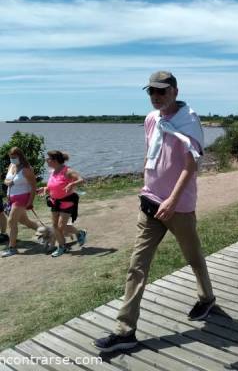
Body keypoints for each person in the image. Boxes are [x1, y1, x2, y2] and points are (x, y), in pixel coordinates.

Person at [94, 71, 216, 352]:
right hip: (150, 203)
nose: (155, 97)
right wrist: (146, 187)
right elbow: (152, 156)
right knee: (137, 266)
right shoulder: (151, 120)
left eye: (161, 91)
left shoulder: (189, 121)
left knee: (193, 256)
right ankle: (125, 330)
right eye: (151, 92)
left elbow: (191, 165)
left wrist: (172, 200)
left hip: (178, 206)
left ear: (174, 91)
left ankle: (207, 298)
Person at [38, 151, 86, 257]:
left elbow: (82, 180)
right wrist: (45, 189)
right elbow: (52, 186)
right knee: (55, 226)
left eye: (48, 158)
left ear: (55, 160)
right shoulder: (53, 171)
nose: (46, 160)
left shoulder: (68, 171)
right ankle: (77, 235)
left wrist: (72, 184)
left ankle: (61, 247)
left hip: (67, 202)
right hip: (55, 202)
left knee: (60, 227)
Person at [1, 147, 39, 257]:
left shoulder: (26, 169)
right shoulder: (11, 166)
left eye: (14, 157)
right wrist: (8, 182)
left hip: (21, 198)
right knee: (26, 222)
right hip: (11, 199)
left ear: (20, 156)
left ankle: (12, 248)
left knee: (11, 221)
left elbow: (33, 186)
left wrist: (30, 201)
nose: (12, 159)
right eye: (10, 157)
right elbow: (6, 179)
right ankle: (48, 232)